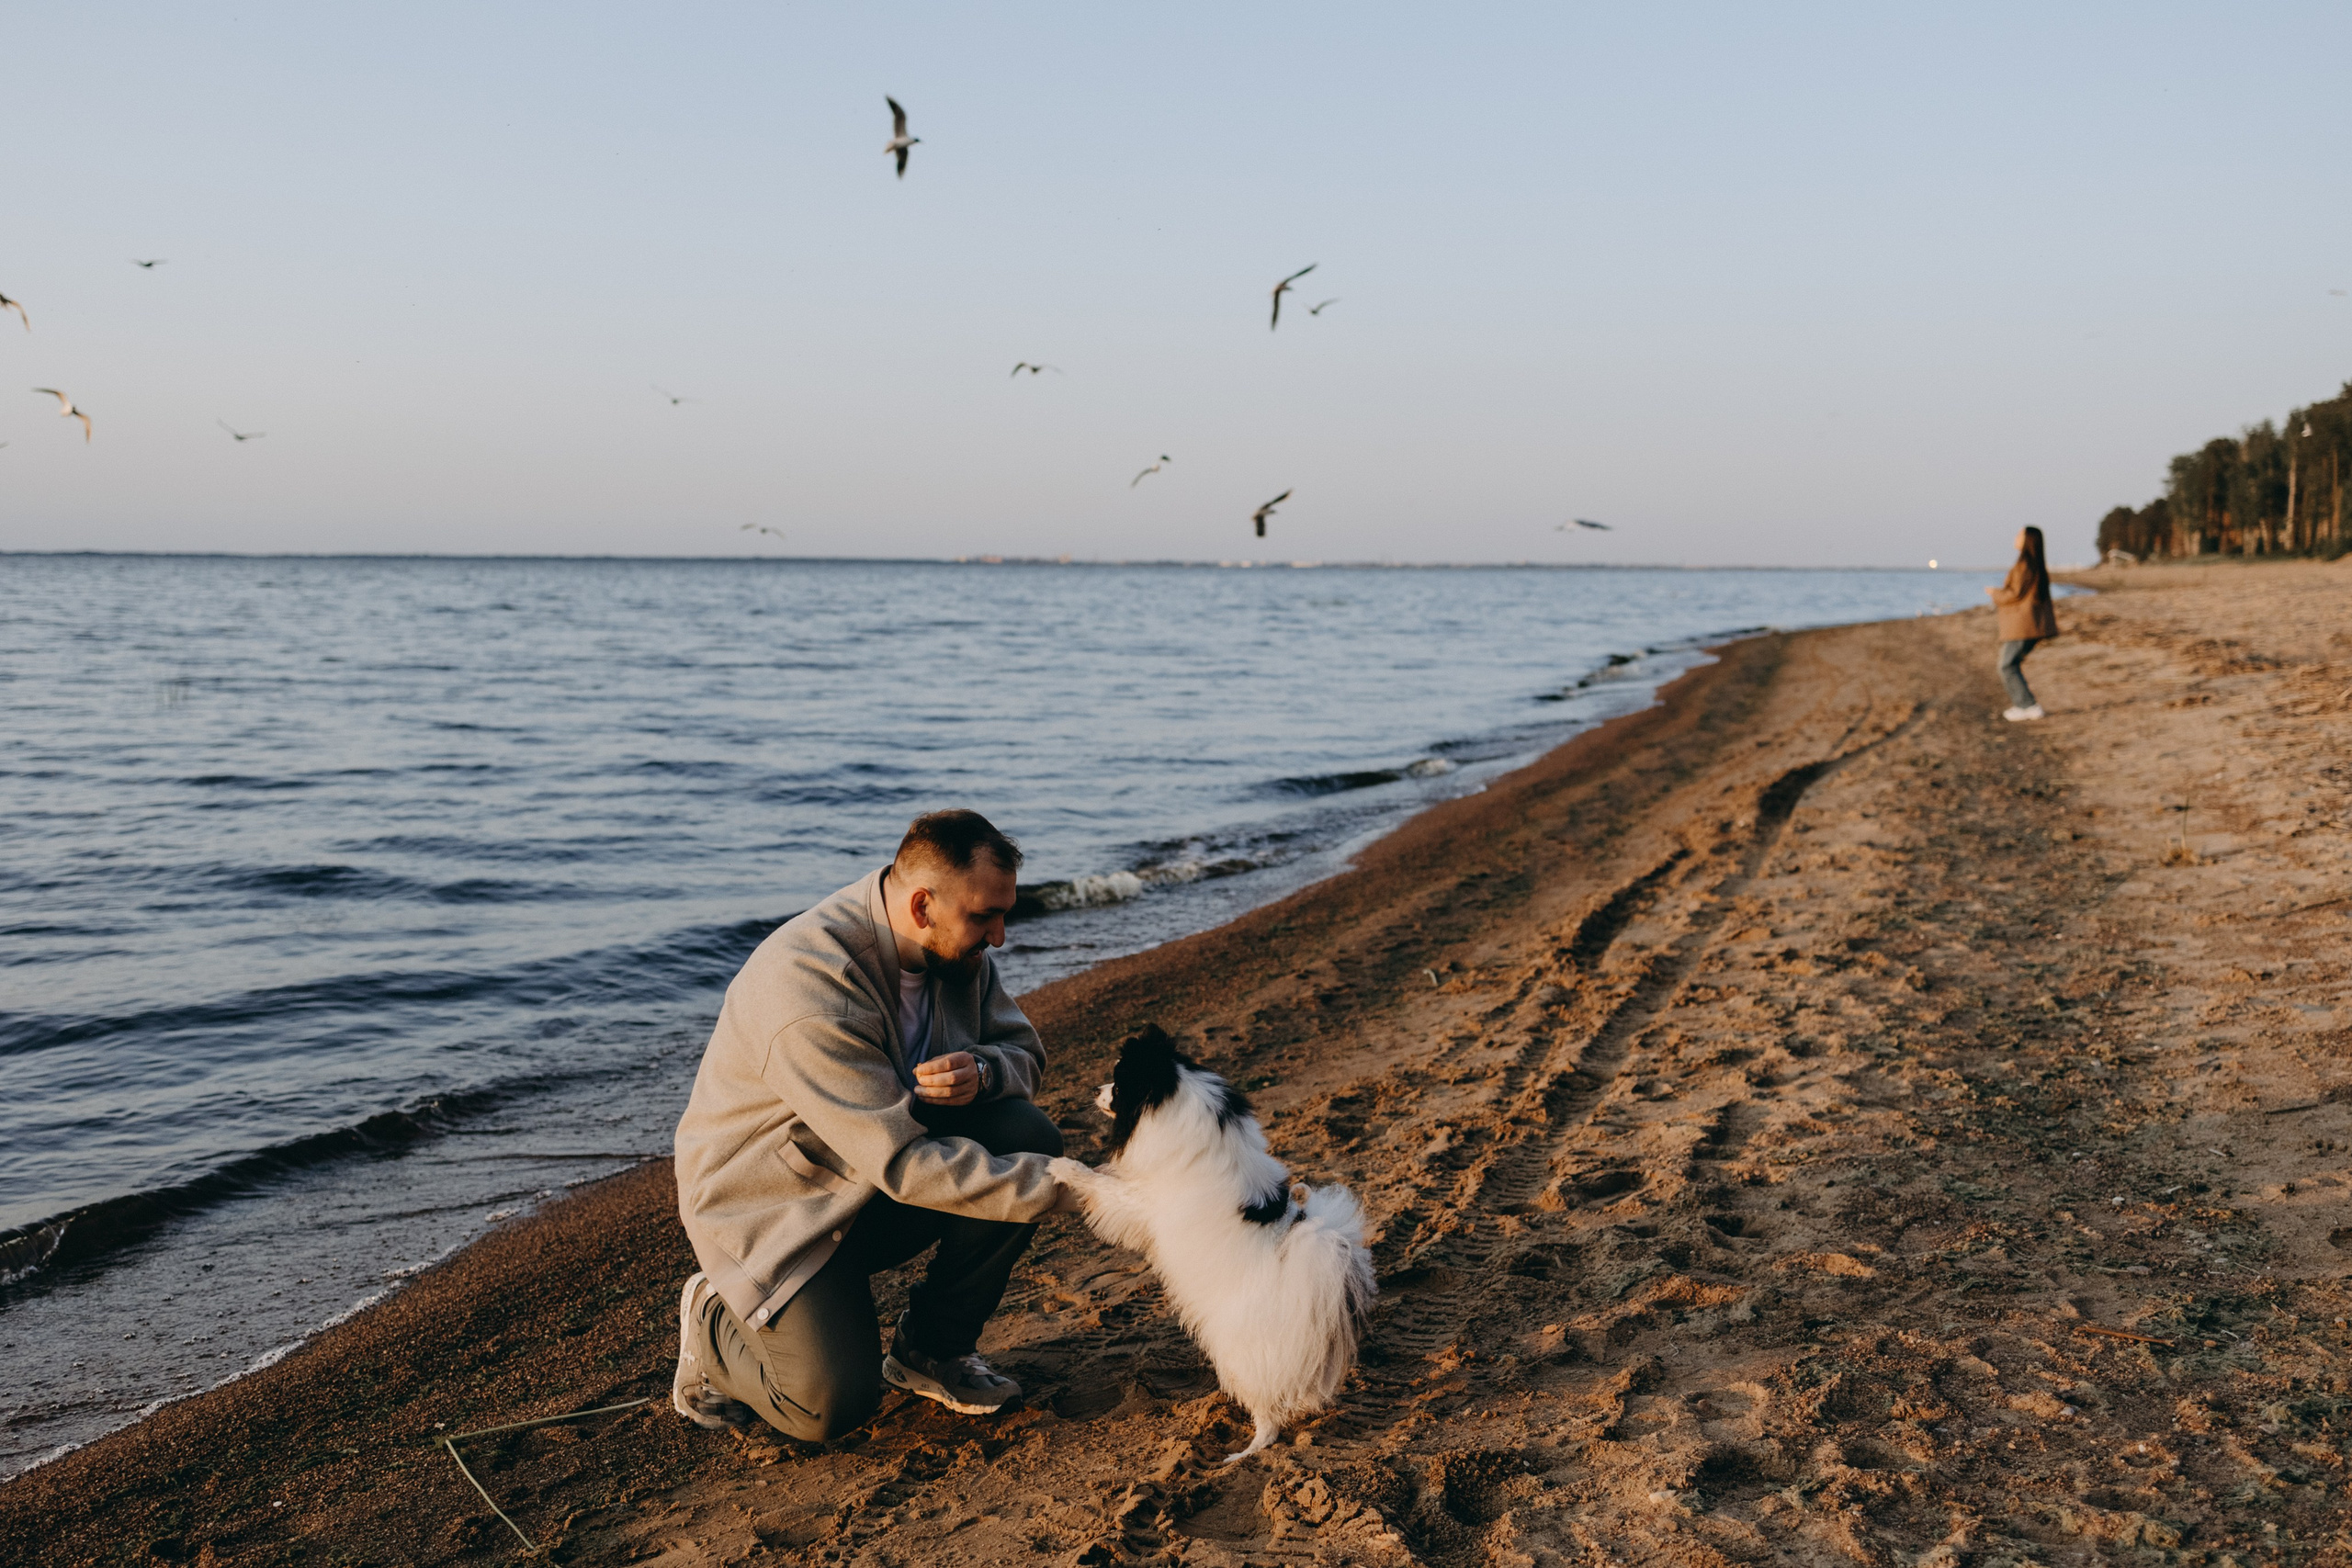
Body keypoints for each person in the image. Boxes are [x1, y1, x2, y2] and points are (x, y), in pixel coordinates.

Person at [671, 809, 1075, 1441]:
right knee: (828, 1407)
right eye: (984, 917)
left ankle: (931, 1351)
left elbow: (1027, 1053)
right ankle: (712, 1323)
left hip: (875, 1179)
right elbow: (904, 1164)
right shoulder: (807, 987)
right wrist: (1073, 1191)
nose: (999, 937)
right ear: (921, 905)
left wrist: (985, 1072)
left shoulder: (956, 952)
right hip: (779, 1208)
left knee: (1030, 1137)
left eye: (1006, 913)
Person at [1984, 525, 2059, 721]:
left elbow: (2014, 594)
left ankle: (2028, 705)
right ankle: (2025, 705)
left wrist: (1995, 593)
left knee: (2006, 665)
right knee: (2011, 664)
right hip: (2029, 624)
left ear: (2028, 540)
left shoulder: (2025, 565)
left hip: (2023, 625)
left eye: (2020, 534)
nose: (2016, 537)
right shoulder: (2033, 564)